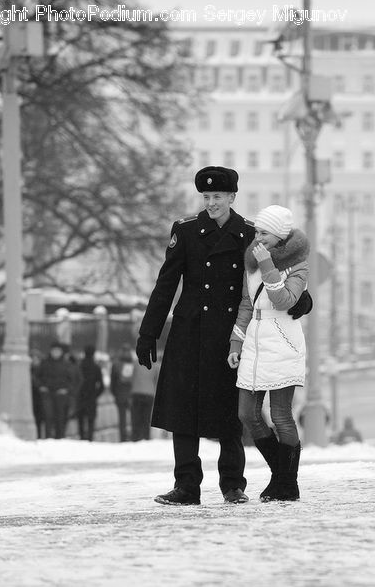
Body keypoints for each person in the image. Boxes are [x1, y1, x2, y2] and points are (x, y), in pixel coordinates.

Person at [136, 166, 254, 506]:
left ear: (232, 197)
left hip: (229, 336)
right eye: (207, 196)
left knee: (230, 414)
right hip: (189, 333)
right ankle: (186, 486)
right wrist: (149, 333)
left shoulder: (248, 234)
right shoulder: (186, 231)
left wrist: (297, 299)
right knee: (182, 413)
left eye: (218, 197)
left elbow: (261, 286)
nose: (212, 203)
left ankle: (233, 485)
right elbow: (166, 284)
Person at [228, 205, 309, 502]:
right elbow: (247, 306)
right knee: (247, 413)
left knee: (280, 416)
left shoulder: (298, 265)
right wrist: (235, 344)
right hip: (254, 342)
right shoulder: (253, 261)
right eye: (257, 232)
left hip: (283, 339)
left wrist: (268, 267)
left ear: (279, 235)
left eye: (264, 233)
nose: (257, 237)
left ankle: (287, 484)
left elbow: (284, 300)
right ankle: (283, 478)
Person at [36, 342, 77, 439]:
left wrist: (66, 389)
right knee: (48, 416)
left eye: (58, 351)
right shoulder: (45, 363)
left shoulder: (66, 364)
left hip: (61, 395)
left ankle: (60, 437)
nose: (56, 353)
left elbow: (73, 380)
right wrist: (41, 386)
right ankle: (48, 437)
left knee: (60, 418)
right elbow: (36, 377)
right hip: (47, 394)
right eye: (54, 351)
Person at [77, 345, 105, 441]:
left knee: (80, 420)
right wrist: (95, 395)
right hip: (91, 397)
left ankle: (82, 438)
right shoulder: (96, 368)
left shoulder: (79, 366)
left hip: (80, 396)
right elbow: (101, 386)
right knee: (90, 421)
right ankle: (90, 439)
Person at [130, 355, 159, 441]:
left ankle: (135, 437)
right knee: (146, 418)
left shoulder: (136, 363)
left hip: (137, 393)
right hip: (149, 394)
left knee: (136, 417)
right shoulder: (154, 365)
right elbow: (156, 380)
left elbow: (132, 377)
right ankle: (146, 437)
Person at [109, 346, 134, 442]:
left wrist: (115, 394)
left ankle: (123, 438)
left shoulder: (116, 365)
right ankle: (134, 437)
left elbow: (112, 382)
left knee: (122, 419)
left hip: (120, 395)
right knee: (133, 418)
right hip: (132, 395)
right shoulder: (134, 364)